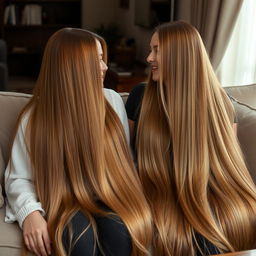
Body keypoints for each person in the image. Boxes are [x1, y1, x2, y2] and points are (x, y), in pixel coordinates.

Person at [5, 28, 152, 256]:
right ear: (72, 66)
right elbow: (19, 178)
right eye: (96, 60)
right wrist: (30, 214)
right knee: (78, 239)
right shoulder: (34, 117)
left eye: (103, 59)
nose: (104, 67)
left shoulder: (112, 101)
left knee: (119, 235)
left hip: (110, 197)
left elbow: (126, 162)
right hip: (64, 202)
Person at [126, 21, 256, 255]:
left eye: (157, 50)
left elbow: (229, 166)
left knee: (213, 235)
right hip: (156, 192)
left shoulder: (220, 104)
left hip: (206, 192)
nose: (148, 58)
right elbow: (125, 157)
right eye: (150, 49)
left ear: (181, 56)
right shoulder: (141, 97)